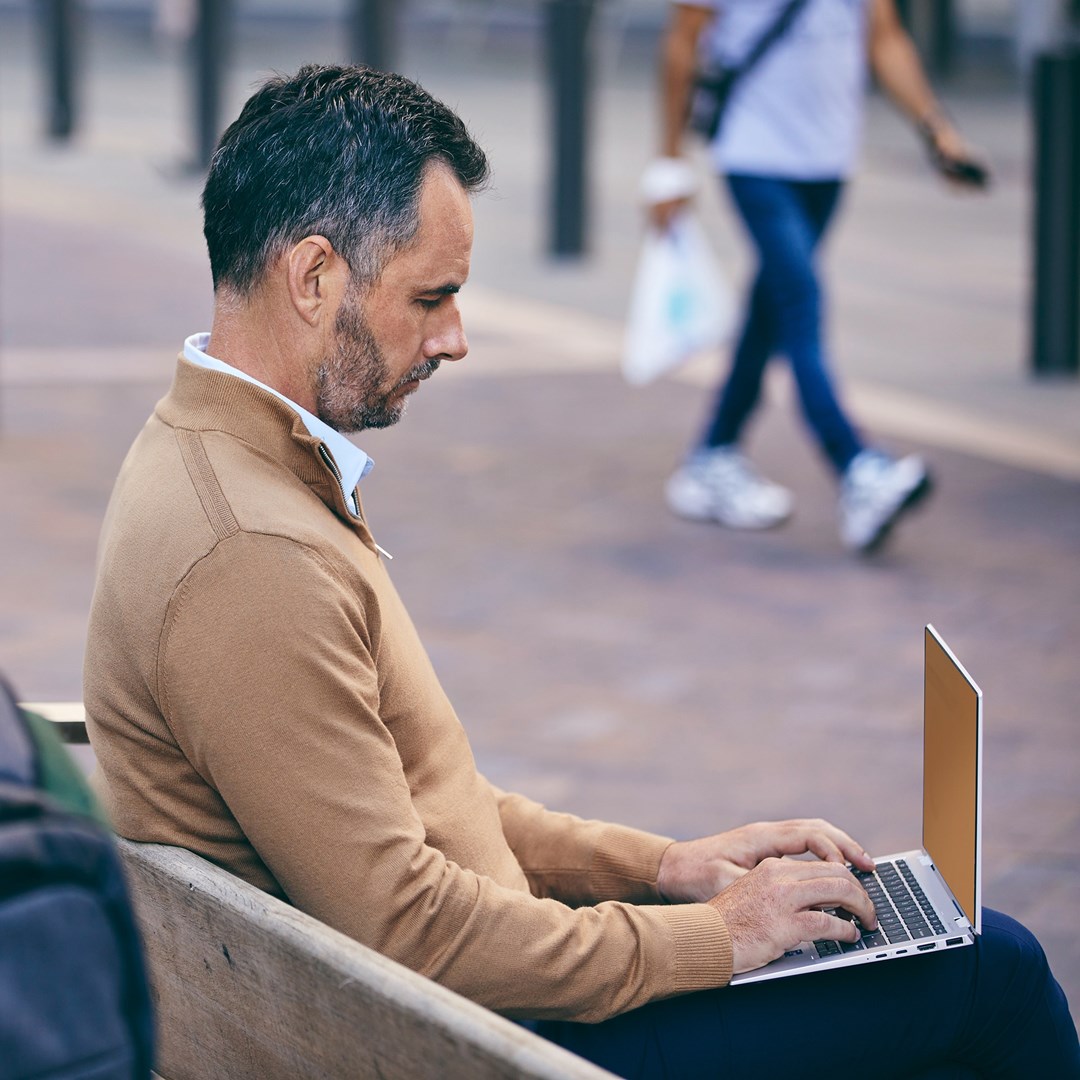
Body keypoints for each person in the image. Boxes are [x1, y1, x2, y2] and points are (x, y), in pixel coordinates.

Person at [83, 65, 1078, 1078]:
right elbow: (411, 930)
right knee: (987, 973)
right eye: (432, 297)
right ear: (314, 277)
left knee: (936, 957)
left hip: (466, 1008)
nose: (455, 338)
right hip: (484, 1042)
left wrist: (667, 868)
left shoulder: (221, 462)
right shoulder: (254, 556)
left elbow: (428, 809)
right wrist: (719, 936)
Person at [651, 0, 989, 553]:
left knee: (772, 307)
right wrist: (667, 164)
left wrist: (936, 130)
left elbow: (885, 38)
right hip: (754, 156)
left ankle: (711, 453)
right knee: (800, 301)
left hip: (829, 161)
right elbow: (682, 42)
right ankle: (857, 466)